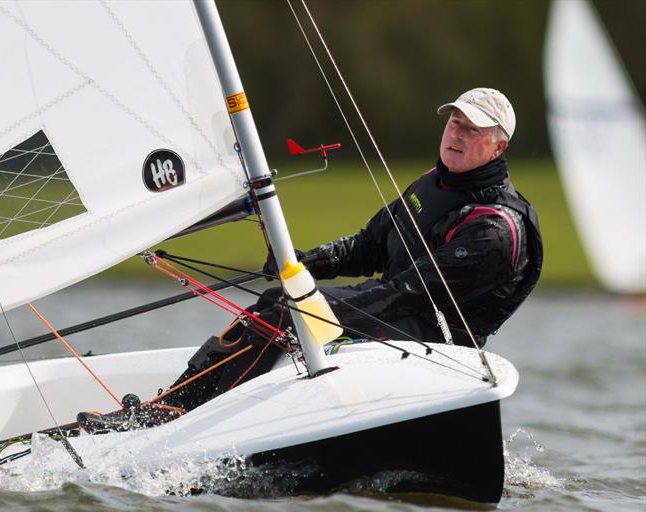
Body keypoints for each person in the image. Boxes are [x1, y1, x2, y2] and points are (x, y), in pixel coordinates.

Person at [78, 87, 543, 432]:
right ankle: (181, 405)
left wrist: (311, 302)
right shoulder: (432, 184)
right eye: (454, 123)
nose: (457, 134)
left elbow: (410, 294)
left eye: (472, 129)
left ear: (498, 147)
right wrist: (301, 264)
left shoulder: (495, 228)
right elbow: (369, 245)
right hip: (394, 323)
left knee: (286, 309)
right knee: (279, 298)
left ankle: (176, 416)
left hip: (432, 351)